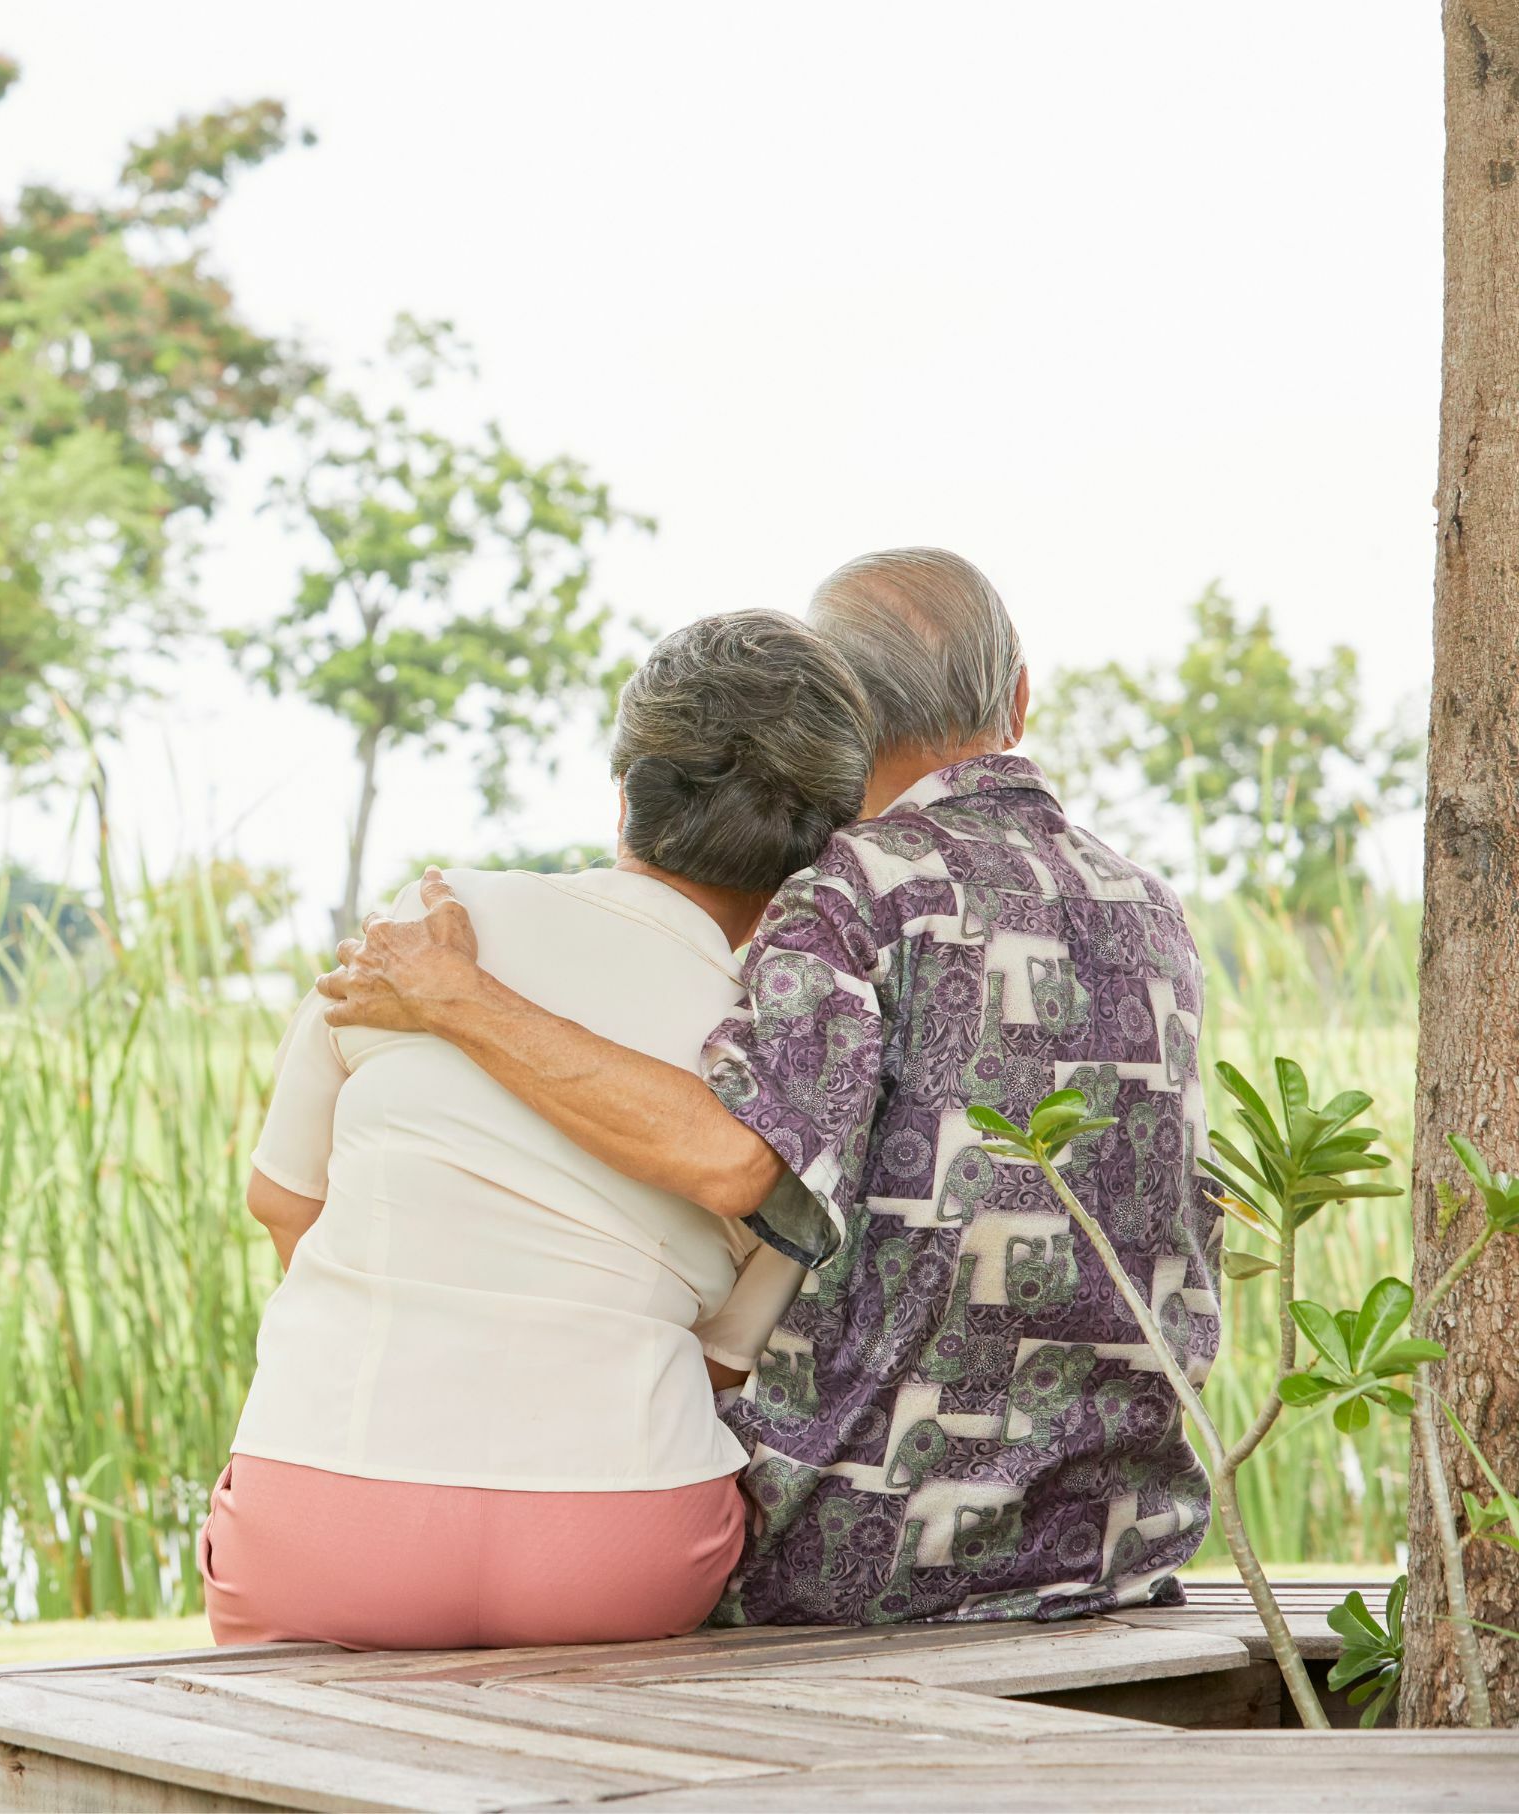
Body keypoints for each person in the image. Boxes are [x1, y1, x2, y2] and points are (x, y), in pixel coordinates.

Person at [320, 549, 1216, 1626]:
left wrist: (456, 996)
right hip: (1118, 1543)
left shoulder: (851, 894)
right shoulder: (1153, 907)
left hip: (856, 1559)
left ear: (834, 715)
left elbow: (735, 1154)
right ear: (1018, 696)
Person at [199, 610, 869, 1649]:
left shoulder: (422, 929)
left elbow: (284, 1203)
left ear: (627, 789)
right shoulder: (784, 1037)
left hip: (323, 1518)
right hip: (620, 1542)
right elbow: (726, 1364)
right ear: (829, 838)